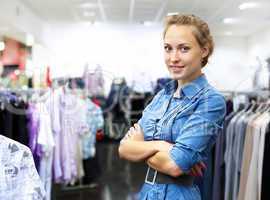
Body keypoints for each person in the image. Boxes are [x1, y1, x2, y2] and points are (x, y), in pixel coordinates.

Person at [118, 13, 226, 200]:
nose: (173, 58)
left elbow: (174, 165)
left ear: (204, 50)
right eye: (168, 48)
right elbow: (124, 148)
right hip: (147, 193)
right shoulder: (162, 96)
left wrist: (141, 147)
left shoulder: (211, 101)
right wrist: (162, 146)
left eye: (184, 49)